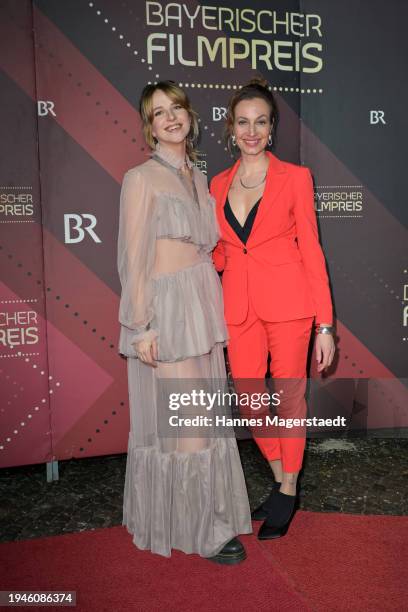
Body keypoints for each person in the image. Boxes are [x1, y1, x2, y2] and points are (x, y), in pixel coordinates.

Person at [117, 81, 252, 563]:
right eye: (158, 113)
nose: (170, 118)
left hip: (202, 304)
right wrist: (140, 326)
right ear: (148, 126)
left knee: (207, 422)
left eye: (176, 108)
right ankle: (205, 531)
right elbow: (133, 258)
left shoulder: (199, 176)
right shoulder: (140, 178)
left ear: (190, 115)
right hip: (166, 312)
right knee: (189, 424)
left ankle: (199, 518)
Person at [210, 78, 335, 540]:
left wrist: (325, 325)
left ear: (271, 128)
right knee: (249, 402)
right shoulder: (217, 183)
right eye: (243, 122)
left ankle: (286, 488)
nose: (251, 131)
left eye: (260, 122)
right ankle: (285, 479)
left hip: (290, 306)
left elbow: (313, 251)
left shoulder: (295, 178)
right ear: (231, 127)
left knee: (288, 400)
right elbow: (225, 251)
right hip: (239, 308)